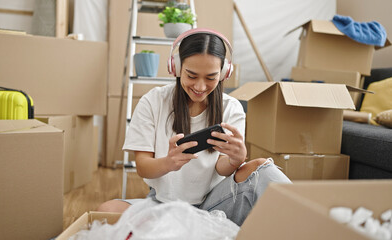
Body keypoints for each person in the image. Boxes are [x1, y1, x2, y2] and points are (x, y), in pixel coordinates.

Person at [98, 28, 291, 226]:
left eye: (210, 77)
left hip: (214, 204)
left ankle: (311, 222)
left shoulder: (231, 108)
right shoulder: (153, 101)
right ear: (176, 67)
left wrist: (236, 159)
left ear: (224, 72)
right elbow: (143, 167)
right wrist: (168, 162)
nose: (200, 87)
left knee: (261, 167)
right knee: (106, 212)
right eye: (191, 76)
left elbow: (222, 168)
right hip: (163, 204)